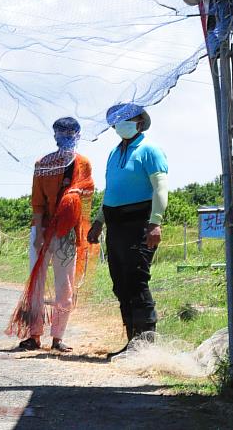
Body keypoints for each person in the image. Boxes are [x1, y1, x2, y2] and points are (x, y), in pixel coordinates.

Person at [87, 103, 168, 359]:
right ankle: (132, 340)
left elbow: (160, 189)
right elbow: (110, 192)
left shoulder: (149, 150)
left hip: (139, 223)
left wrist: (155, 222)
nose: (121, 124)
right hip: (115, 225)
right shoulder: (113, 153)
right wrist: (99, 221)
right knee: (120, 282)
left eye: (127, 119)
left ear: (139, 122)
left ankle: (146, 344)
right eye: (118, 120)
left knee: (136, 280)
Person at [9, 117, 95, 353]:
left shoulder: (83, 163)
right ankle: (34, 335)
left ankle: (58, 337)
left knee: (64, 286)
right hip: (43, 229)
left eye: (71, 132)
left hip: (67, 233)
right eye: (62, 132)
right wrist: (38, 232)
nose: (66, 136)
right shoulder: (43, 163)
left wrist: (73, 205)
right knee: (35, 284)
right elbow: (37, 201)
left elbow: (88, 194)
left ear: (78, 135)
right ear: (55, 135)